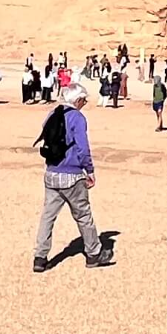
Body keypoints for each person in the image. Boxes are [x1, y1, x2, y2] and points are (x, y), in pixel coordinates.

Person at [31, 88, 112, 271]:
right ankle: (94, 254)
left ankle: (40, 257)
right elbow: (83, 147)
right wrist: (89, 170)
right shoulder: (77, 118)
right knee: (83, 216)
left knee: (47, 217)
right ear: (77, 100)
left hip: (52, 173)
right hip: (72, 175)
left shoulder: (52, 114)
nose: (84, 103)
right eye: (83, 100)